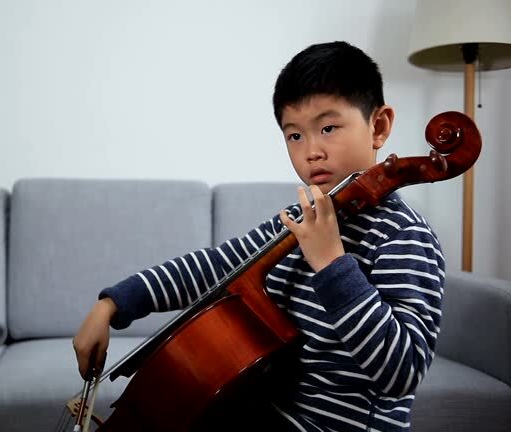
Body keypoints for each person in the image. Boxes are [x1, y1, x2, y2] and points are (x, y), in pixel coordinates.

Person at [72, 40, 445, 431]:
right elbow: (214, 268)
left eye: (328, 127)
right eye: (295, 136)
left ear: (379, 126)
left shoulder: (405, 238)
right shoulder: (298, 222)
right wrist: (113, 304)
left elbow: (402, 372)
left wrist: (332, 263)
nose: (311, 151)